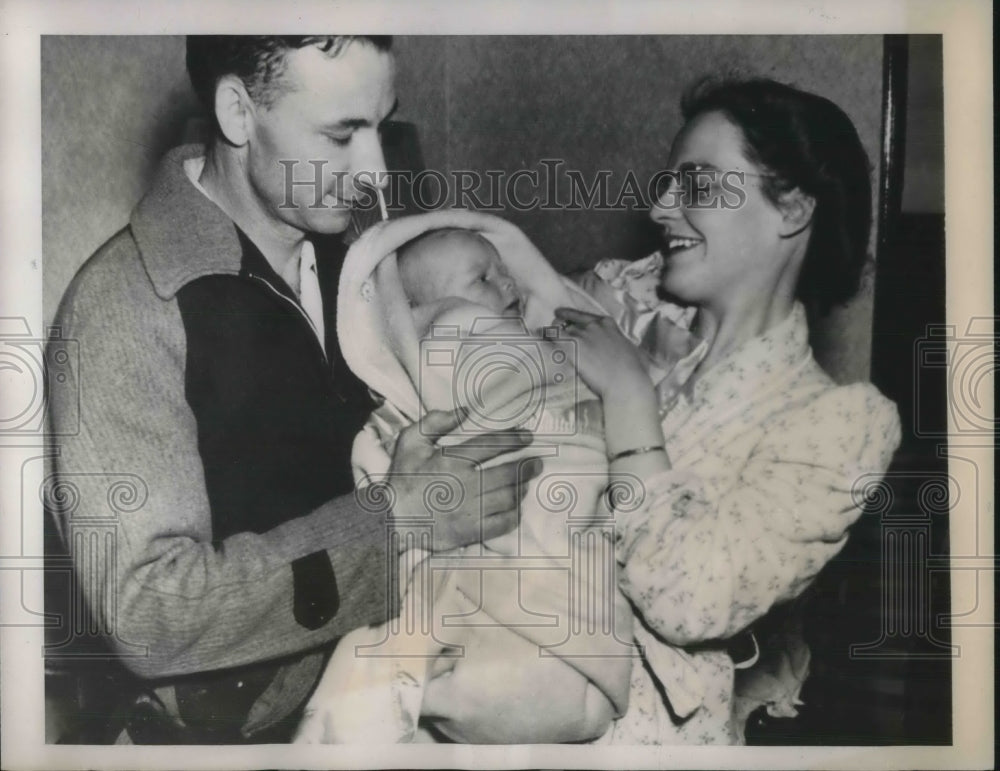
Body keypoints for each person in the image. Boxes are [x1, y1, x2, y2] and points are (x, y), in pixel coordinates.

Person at [46, 36, 535, 744]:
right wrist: (396, 523)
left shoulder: (363, 250)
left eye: (382, 125)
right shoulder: (123, 305)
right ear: (239, 113)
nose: (374, 172)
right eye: (341, 135)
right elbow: (149, 613)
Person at [428, 77, 903, 744]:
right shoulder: (613, 305)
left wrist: (628, 398)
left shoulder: (840, 425)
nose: (660, 206)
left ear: (792, 208)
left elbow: (691, 600)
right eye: (667, 181)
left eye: (697, 185)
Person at [295, 214, 641, 744]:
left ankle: (408, 695)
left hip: (564, 534)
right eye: (481, 278)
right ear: (416, 314)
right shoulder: (452, 337)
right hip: (502, 570)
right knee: (435, 623)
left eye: (506, 271)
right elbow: (384, 454)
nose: (508, 285)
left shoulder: (547, 346)